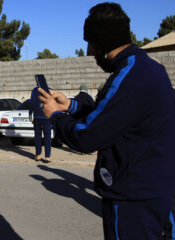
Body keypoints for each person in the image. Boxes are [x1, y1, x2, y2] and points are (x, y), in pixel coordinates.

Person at [38, 3, 175, 239]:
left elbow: (87, 137)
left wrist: (56, 116)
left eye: (90, 44)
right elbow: (117, 116)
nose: (90, 53)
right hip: (159, 190)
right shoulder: (150, 70)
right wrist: (71, 106)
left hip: (132, 199)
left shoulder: (127, 79)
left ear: (101, 43)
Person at [29, 87, 52, 163]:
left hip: (37, 116)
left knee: (38, 136)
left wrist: (30, 113)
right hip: (47, 116)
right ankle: (47, 156)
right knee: (47, 136)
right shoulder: (49, 90)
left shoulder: (35, 90)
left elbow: (32, 102)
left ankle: (38, 155)